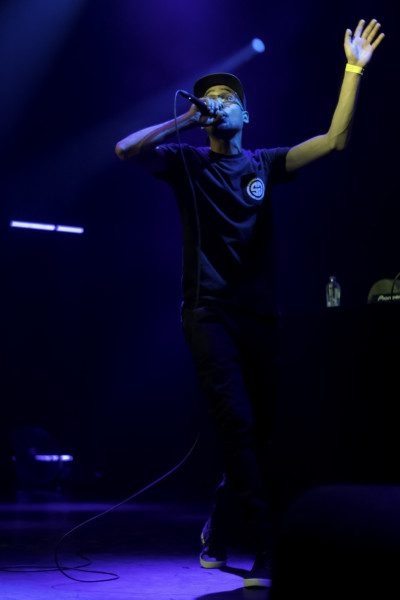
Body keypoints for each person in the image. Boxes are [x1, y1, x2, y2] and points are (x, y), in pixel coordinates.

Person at [115, 18, 384, 589]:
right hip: (208, 314)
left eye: (227, 98)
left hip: (259, 317)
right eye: (209, 97)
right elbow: (125, 149)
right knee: (237, 425)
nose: (217, 102)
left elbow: (334, 141)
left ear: (246, 115)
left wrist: (353, 69)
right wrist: (186, 120)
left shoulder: (264, 164)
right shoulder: (188, 163)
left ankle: (218, 524)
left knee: (258, 433)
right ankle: (265, 546)